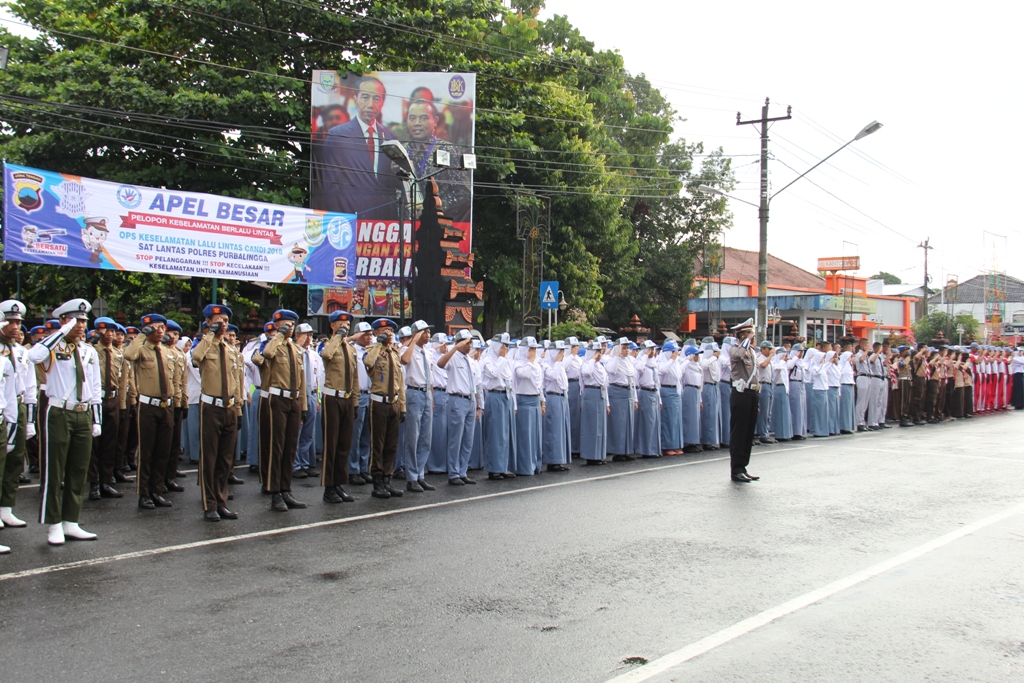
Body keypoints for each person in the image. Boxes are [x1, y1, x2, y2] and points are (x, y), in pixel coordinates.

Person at [27, 298, 102, 545]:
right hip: (59, 412)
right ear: (63, 321)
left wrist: (96, 419)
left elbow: (94, 386)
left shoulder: (88, 350)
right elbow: (34, 356)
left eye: (83, 320)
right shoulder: (52, 347)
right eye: (75, 320)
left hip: (83, 413)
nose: (81, 325)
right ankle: (53, 524)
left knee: (78, 470)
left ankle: (71, 521)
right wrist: (60, 332)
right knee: (54, 470)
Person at [316, 75, 404, 219]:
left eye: (376, 98)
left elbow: (392, 185)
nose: (371, 104)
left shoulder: (390, 137)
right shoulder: (338, 136)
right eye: (365, 97)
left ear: (382, 102)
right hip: (349, 220)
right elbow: (330, 187)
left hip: (383, 224)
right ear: (355, 99)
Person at [191, 304, 244, 522]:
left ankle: (222, 502)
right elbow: (196, 357)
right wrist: (209, 335)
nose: (222, 324)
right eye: (217, 320)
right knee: (210, 458)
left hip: (230, 407)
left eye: (224, 320)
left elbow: (237, 382)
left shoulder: (231, 349)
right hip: (211, 407)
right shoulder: (205, 346)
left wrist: (238, 409)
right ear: (207, 323)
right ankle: (209, 504)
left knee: (225, 459)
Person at [253, 309, 308, 511]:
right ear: (276, 325)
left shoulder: (295, 349)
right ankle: (274, 491)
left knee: (289, 448)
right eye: (285, 324)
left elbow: (301, 380)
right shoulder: (270, 345)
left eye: (292, 325)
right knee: (275, 447)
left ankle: (286, 489)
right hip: (276, 399)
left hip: (293, 400)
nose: (289, 328)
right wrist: (278, 335)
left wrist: (303, 406)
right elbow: (266, 355)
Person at [0, 300, 38, 532]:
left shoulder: (22, 352)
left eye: (18, 322)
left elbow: (30, 387)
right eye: (11, 322)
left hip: (20, 407)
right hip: (3, 408)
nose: (16, 327)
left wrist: (31, 420)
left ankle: (7, 507)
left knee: (16, 460)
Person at [404, 98, 472, 222]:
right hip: (403, 227)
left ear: (435, 121)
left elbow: (464, 194)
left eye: (423, 118)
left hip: (438, 227)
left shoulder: (448, 150)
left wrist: (432, 207)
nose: (417, 123)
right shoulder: (401, 151)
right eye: (412, 118)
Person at [318, 310, 359, 503]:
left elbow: (356, 377)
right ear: (332, 325)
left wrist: (356, 401)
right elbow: (326, 355)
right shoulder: (328, 344)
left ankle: (339, 484)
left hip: (347, 399)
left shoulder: (351, 349)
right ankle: (329, 487)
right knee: (331, 444)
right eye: (340, 324)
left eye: (347, 324)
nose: (345, 326)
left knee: (344, 445)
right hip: (332, 398)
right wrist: (338, 337)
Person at [363, 319, 406, 497]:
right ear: (377, 333)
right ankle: (377, 480)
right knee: (377, 444)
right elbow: (368, 363)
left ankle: (388, 478)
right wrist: (378, 344)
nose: (389, 333)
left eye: (390, 330)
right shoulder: (372, 351)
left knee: (391, 444)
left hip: (393, 402)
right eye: (384, 330)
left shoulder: (395, 354)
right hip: (378, 402)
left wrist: (402, 406)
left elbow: (400, 383)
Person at [86, 316, 124, 501]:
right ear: (97, 332)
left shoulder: (118, 354)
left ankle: (106, 481)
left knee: (110, 442)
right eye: (105, 331)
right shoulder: (90, 351)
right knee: (95, 444)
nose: (109, 335)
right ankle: (93, 482)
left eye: (112, 331)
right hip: (96, 399)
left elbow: (122, 381)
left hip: (113, 400)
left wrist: (123, 405)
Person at [397, 319, 435, 492]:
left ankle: (420, 473)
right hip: (413, 392)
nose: (427, 335)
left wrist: (431, 398)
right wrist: (413, 340)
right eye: (424, 332)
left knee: (425, 438)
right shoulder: (407, 349)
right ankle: (411, 476)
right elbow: (404, 360)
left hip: (426, 393)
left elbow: (431, 377)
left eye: (428, 332)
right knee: (413, 436)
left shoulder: (427, 353)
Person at [437, 328, 477, 486]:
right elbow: (440, 364)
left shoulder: (469, 360)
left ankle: (463, 471)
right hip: (457, 399)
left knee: (468, 439)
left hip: (470, 399)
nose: (470, 346)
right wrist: (454, 347)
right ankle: (453, 473)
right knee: (456, 438)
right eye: (467, 343)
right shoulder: (453, 357)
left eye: (470, 343)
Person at [727, 318, 760, 483]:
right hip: (740, 393)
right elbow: (739, 355)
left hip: (751, 394)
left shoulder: (752, 351)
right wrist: (746, 341)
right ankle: (736, 469)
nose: (753, 337)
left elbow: (755, 375)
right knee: (739, 433)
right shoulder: (735, 349)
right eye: (750, 334)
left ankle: (743, 466)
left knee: (748, 434)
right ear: (742, 335)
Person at [481, 333, 515, 480]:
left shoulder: (506, 360)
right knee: (495, 434)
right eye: (503, 345)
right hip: (494, 396)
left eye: (507, 346)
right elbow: (495, 374)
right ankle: (494, 468)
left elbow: (510, 381)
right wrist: (502, 358)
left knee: (504, 434)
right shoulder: (487, 360)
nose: (505, 348)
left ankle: (502, 466)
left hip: (506, 396)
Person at [293, 323, 323, 480]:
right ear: (297, 335)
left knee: (308, 433)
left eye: (311, 335)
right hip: (299, 395)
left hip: (311, 395)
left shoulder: (313, 354)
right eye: (306, 335)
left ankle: (305, 463)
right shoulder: (294, 352)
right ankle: (295, 464)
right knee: (297, 432)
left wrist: (317, 399)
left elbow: (317, 378)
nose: (309, 338)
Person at [347, 321, 374, 484]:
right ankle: (353, 469)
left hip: (371, 394)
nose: (369, 337)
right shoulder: (352, 350)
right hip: (359, 394)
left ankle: (364, 468)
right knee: (355, 435)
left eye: (370, 334)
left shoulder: (372, 350)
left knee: (367, 435)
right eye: (365, 334)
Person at [512, 338, 544, 475]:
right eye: (531, 349)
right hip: (524, 400)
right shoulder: (518, 363)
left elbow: (539, 384)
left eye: (535, 349)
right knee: (525, 436)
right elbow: (524, 375)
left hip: (535, 399)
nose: (534, 352)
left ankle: (536, 465)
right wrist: (530, 361)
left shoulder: (536, 364)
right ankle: (524, 467)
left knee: (536, 436)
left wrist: (543, 401)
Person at [605, 338, 637, 461]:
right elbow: (611, 370)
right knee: (618, 423)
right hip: (617, 391)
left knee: (628, 422)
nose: (626, 350)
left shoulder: (628, 361)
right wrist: (617, 355)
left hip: (628, 391)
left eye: (627, 348)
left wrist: (635, 398)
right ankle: (617, 451)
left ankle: (626, 450)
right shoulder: (612, 360)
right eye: (623, 348)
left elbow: (632, 379)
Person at [541, 340, 572, 472]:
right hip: (553, 397)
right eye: (560, 351)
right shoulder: (546, 365)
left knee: (561, 430)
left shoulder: (559, 365)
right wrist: (559, 362)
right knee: (553, 430)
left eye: (563, 351)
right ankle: (552, 460)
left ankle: (560, 459)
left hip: (562, 397)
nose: (562, 354)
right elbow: (553, 376)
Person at [580, 341, 610, 465]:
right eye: (597, 352)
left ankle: (599, 454)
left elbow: (604, 384)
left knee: (600, 426)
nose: (599, 354)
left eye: (600, 352)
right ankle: (590, 456)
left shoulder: (600, 366)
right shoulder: (586, 364)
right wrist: (592, 359)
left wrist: (607, 403)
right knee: (591, 426)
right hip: (591, 393)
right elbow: (586, 372)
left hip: (600, 393)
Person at [633, 340, 661, 458]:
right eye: (650, 349)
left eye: (653, 349)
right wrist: (645, 355)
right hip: (645, 392)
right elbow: (638, 369)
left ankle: (654, 449)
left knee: (654, 423)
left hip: (654, 392)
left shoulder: (653, 363)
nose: (652, 352)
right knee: (647, 423)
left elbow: (657, 382)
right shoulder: (641, 362)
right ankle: (646, 450)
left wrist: (659, 399)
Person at [698, 340, 721, 451]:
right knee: (708, 414)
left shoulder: (715, 361)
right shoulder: (706, 359)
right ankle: (707, 440)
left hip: (715, 386)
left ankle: (713, 440)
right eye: (714, 351)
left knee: (714, 414)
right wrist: (713, 357)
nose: (717, 353)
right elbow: (703, 365)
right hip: (707, 386)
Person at [680, 346, 703, 453]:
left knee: (695, 418)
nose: (697, 357)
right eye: (695, 355)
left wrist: (700, 399)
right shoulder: (687, 365)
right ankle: (688, 441)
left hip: (696, 391)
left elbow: (699, 383)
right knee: (689, 417)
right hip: (689, 389)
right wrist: (687, 360)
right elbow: (680, 372)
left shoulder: (697, 366)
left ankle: (694, 440)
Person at [770, 347, 793, 441]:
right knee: (780, 412)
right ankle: (781, 434)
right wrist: (782, 361)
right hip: (778, 387)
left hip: (784, 388)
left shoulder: (783, 364)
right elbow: (776, 369)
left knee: (785, 412)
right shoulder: (776, 363)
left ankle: (786, 433)